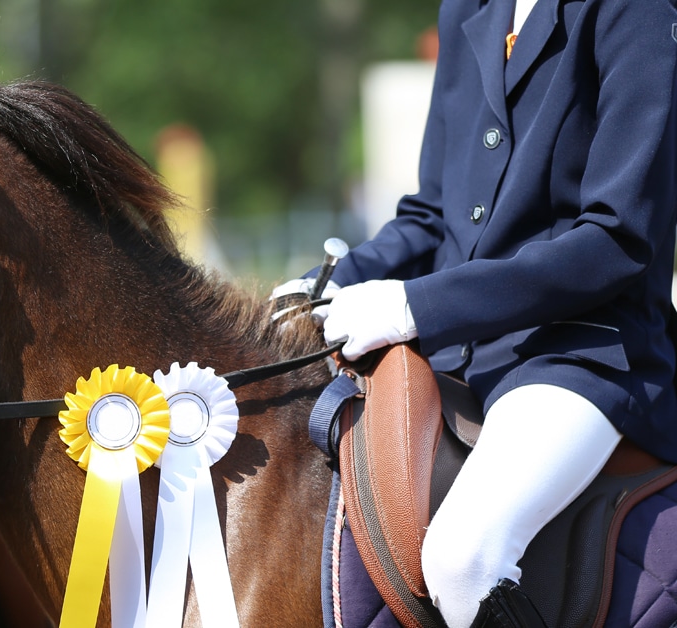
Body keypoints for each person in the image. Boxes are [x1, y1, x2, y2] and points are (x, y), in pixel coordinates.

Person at [280, 0, 677, 625]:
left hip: (580, 353)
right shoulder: (469, 9)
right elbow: (432, 215)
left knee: (466, 558)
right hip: (459, 351)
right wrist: (325, 284)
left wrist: (416, 305)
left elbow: (618, 240)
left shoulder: (638, 11)